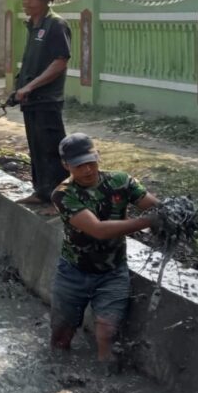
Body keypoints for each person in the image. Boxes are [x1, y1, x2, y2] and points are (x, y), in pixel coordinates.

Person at [50, 133, 160, 363]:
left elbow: (152, 205)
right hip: (73, 273)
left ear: (98, 156)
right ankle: (57, 370)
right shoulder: (63, 194)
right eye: (79, 166)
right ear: (65, 165)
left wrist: (171, 214)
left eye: (91, 162)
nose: (88, 170)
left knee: (107, 332)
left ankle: (105, 377)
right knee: (61, 335)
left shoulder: (121, 181)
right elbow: (98, 229)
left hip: (113, 272)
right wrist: (148, 222)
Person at [13, 0, 72, 205]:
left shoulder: (56, 25)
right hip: (32, 100)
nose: (26, 3)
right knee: (36, 149)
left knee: (52, 151)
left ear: (45, 0)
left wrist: (30, 86)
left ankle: (61, 200)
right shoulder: (33, 26)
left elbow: (60, 62)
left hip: (47, 100)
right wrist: (19, 88)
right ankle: (41, 192)